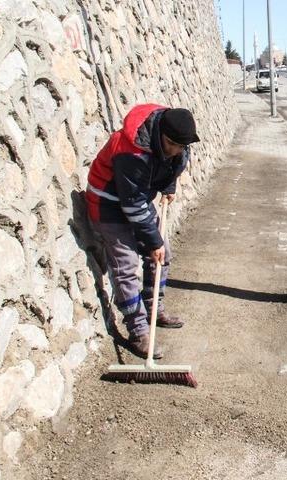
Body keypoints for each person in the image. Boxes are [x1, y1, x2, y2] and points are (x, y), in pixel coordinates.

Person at [86, 105, 199, 358]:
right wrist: (153, 241)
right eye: (170, 144)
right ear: (160, 133)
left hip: (136, 196)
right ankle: (138, 331)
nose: (174, 150)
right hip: (108, 203)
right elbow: (132, 205)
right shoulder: (132, 151)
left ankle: (153, 309)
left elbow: (175, 163)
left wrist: (169, 186)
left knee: (163, 254)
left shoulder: (178, 142)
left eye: (181, 146)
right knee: (126, 266)